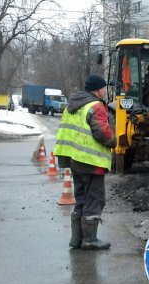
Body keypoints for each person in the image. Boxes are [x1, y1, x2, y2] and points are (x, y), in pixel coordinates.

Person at [54, 75, 116, 250]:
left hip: (75, 160)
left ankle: (77, 239)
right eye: (104, 88)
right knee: (95, 199)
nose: (105, 91)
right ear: (97, 89)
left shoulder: (72, 106)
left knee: (81, 198)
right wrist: (117, 140)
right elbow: (104, 134)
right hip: (91, 161)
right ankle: (90, 239)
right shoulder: (96, 106)